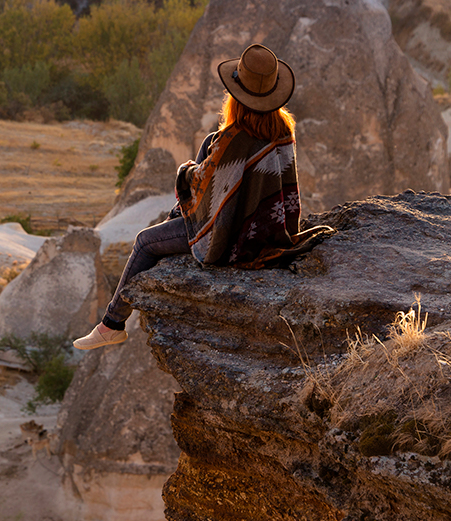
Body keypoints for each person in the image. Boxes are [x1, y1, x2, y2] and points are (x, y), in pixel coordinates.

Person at [74, 43, 306, 350]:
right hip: (269, 229)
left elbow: (203, 181)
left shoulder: (235, 140)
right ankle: (182, 216)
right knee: (211, 140)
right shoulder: (282, 128)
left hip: (232, 238)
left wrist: (185, 172)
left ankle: (112, 325)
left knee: (145, 241)